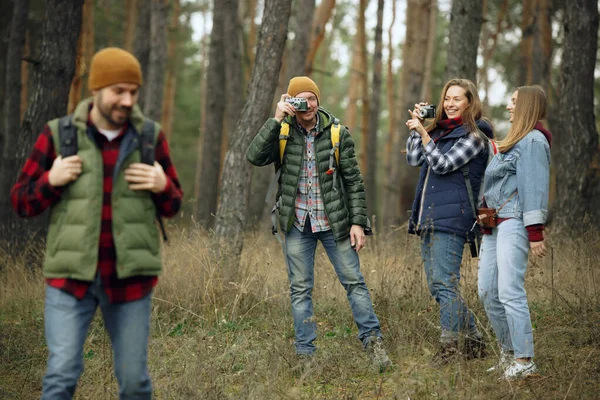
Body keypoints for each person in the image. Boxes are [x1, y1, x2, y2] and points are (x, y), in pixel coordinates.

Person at [10, 47, 183, 399]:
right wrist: (50, 180)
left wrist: (162, 186)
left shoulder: (149, 137)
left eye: (132, 92)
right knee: (61, 375)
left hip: (131, 281)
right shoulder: (58, 136)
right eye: (118, 91)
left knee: (135, 383)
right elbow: (21, 202)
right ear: (96, 90)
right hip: (70, 279)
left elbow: (173, 205)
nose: (126, 100)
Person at [246, 76, 390, 370]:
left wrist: (358, 223)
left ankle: (375, 347)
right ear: (291, 101)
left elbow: (354, 182)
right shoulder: (283, 131)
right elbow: (254, 156)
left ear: (318, 100)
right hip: (297, 223)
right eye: (300, 99)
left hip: (335, 223)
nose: (307, 105)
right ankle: (305, 356)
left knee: (355, 284)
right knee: (300, 290)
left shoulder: (337, 133)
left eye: (311, 98)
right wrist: (275, 119)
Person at [405, 78, 493, 364]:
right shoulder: (440, 132)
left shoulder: (475, 136)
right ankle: (475, 341)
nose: (451, 104)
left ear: (470, 103)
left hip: (454, 217)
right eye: (447, 99)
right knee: (438, 286)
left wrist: (425, 134)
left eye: (457, 99)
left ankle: (450, 349)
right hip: (429, 216)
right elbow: (414, 159)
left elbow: (442, 165)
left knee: (445, 284)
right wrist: (419, 127)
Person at [477, 85, 551, 379]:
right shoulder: (514, 141)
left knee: (509, 291)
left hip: (516, 223)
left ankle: (524, 360)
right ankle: (508, 354)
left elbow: (534, 187)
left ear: (527, 106)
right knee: (486, 291)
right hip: (494, 225)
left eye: (513, 102)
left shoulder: (533, 141)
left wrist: (535, 232)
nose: (509, 106)